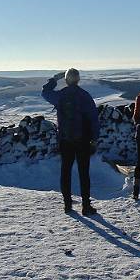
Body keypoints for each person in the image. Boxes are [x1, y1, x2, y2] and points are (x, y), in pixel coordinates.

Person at [41, 68, 99, 215]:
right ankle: (86, 206)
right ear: (78, 80)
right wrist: (95, 139)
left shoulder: (60, 96)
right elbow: (94, 120)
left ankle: (67, 205)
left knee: (65, 172)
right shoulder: (85, 96)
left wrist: (54, 79)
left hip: (65, 140)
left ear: (66, 80)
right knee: (84, 173)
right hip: (83, 140)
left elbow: (45, 92)